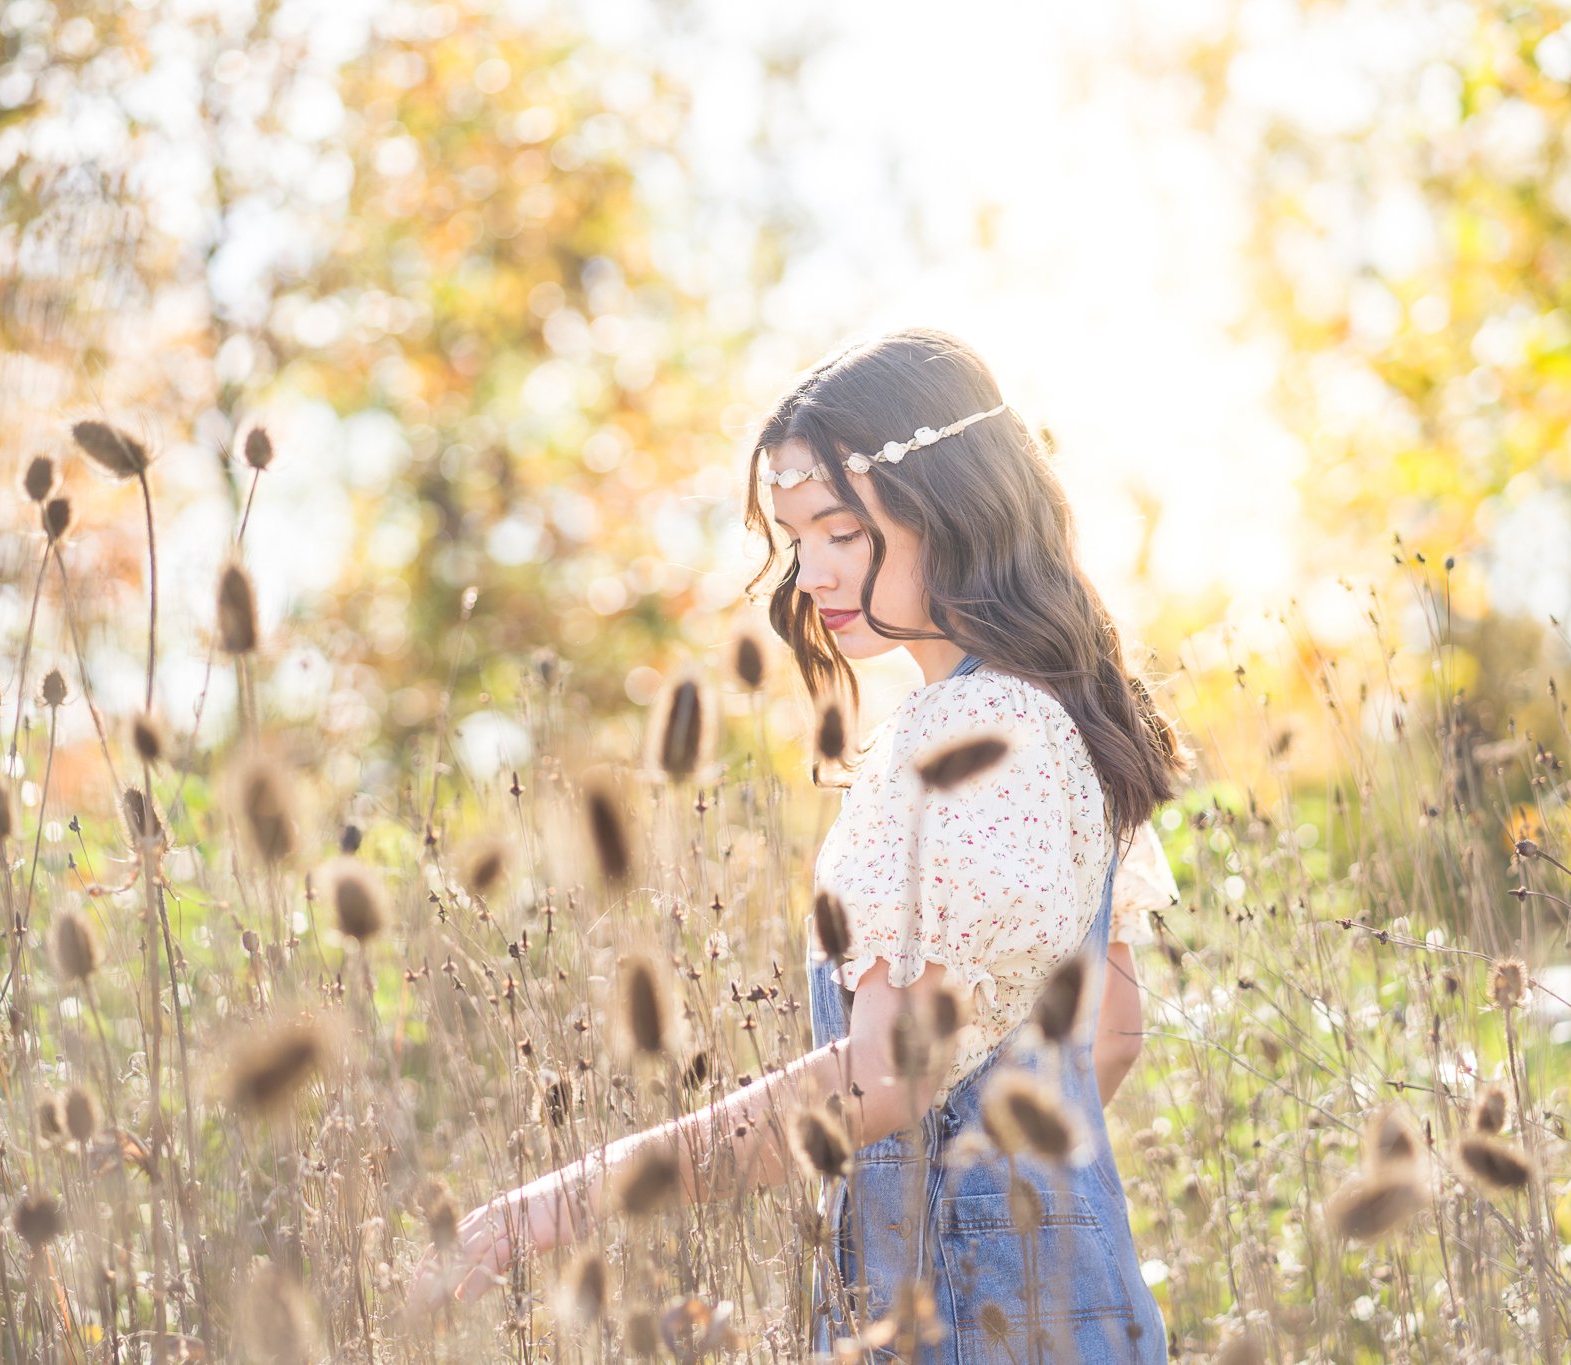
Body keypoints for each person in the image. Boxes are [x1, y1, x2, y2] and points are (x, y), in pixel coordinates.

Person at [408, 327, 1192, 1361]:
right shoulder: (1060, 720)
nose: (811, 571)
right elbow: (1110, 1036)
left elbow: (882, 1076)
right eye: (793, 537)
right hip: (1085, 1309)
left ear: (951, 510)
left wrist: (560, 1203)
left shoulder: (963, 738)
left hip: (955, 1321)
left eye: (840, 529)